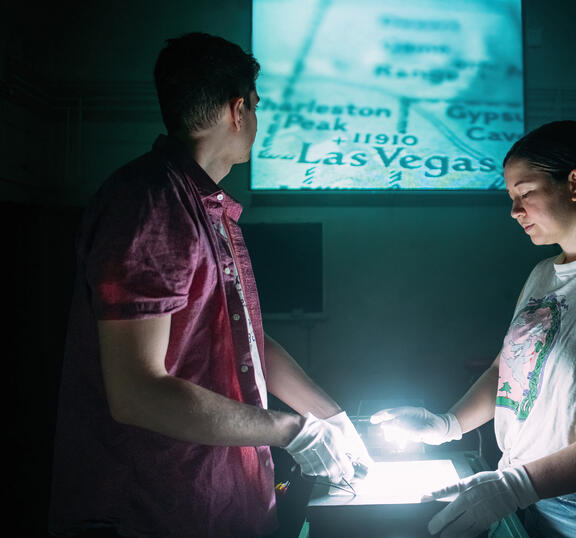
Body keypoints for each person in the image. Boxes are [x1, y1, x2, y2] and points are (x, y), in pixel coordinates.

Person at [48, 33, 370, 538]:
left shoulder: (203, 206)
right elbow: (137, 392)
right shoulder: (151, 204)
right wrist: (293, 430)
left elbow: (241, 342)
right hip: (155, 508)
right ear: (238, 110)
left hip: (218, 503)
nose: (257, 121)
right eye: (257, 107)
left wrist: (330, 417)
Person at [372, 120, 576, 537]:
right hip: (529, 500)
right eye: (511, 197)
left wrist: (517, 486)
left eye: (525, 193)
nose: (514, 210)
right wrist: (446, 425)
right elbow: (504, 372)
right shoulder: (543, 273)